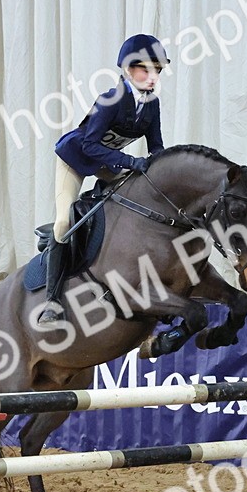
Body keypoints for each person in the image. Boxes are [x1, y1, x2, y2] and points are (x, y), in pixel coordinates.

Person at [38, 33, 171, 325]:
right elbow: (88, 145)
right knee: (63, 222)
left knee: (129, 207)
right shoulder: (110, 100)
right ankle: (51, 301)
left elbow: (156, 146)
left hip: (106, 161)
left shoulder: (151, 104)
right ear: (127, 70)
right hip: (75, 159)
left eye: (157, 71)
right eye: (146, 69)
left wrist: (163, 169)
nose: (153, 77)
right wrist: (129, 161)